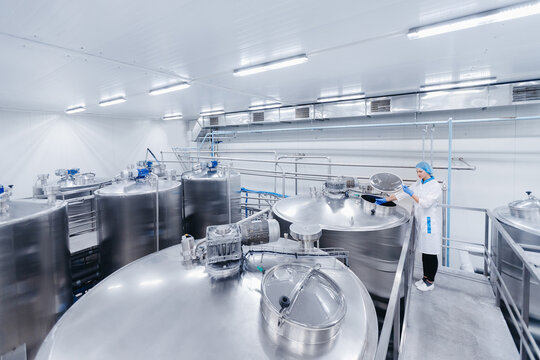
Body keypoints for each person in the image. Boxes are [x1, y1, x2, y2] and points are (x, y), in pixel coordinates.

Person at [375, 161, 442, 292]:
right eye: (417, 171)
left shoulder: (435, 186)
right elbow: (402, 193)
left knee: (431, 253)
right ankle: (425, 278)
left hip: (429, 223)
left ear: (428, 171)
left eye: (420, 171)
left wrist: (412, 194)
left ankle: (430, 281)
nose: (418, 174)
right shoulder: (419, 183)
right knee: (424, 252)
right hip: (420, 222)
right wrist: (386, 199)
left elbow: (425, 203)